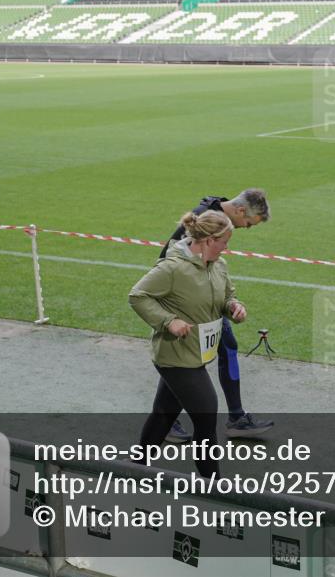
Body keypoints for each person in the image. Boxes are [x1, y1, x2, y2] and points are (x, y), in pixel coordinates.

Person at [130, 210, 246, 477]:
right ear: (208, 240)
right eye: (224, 241)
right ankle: (212, 486)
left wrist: (235, 307)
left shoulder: (219, 266)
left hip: (195, 355)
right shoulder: (172, 269)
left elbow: (228, 297)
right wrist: (168, 321)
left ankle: (134, 470)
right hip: (176, 358)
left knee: (163, 415)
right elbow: (138, 296)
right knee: (206, 416)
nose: (227, 246)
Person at [158, 190, 272, 442]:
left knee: (219, 349)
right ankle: (170, 421)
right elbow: (166, 259)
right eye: (250, 224)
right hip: (189, 306)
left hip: (208, 303)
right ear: (241, 211)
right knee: (183, 362)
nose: (248, 229)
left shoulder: (216, 216)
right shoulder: (203, 218)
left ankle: (235, 416)